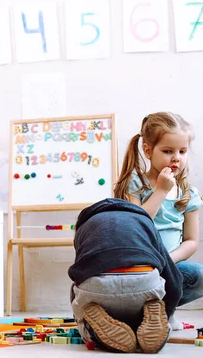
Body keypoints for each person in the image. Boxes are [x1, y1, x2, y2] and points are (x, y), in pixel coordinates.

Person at [114, 112, 203, 330]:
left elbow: (191, 240)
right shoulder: (135, 183)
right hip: (139, 265)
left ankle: (162, 311)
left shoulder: (188, 193)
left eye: (182, 151)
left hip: (170, 264)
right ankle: (141, 313)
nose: (176, 158)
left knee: (198, 275)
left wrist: (168, 261)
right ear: (147, 150)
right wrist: (161, 191)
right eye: (167, 151)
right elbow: (135, 225)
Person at [69, 198, 182, 353]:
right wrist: (167, 313)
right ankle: (152, 320)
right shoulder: (144, 221)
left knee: (77, 292)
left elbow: (78, 273)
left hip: (97, 288)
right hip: (144, 282)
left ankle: (92, 332)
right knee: (149, 301)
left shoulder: (85, 227)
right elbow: (173, 278)